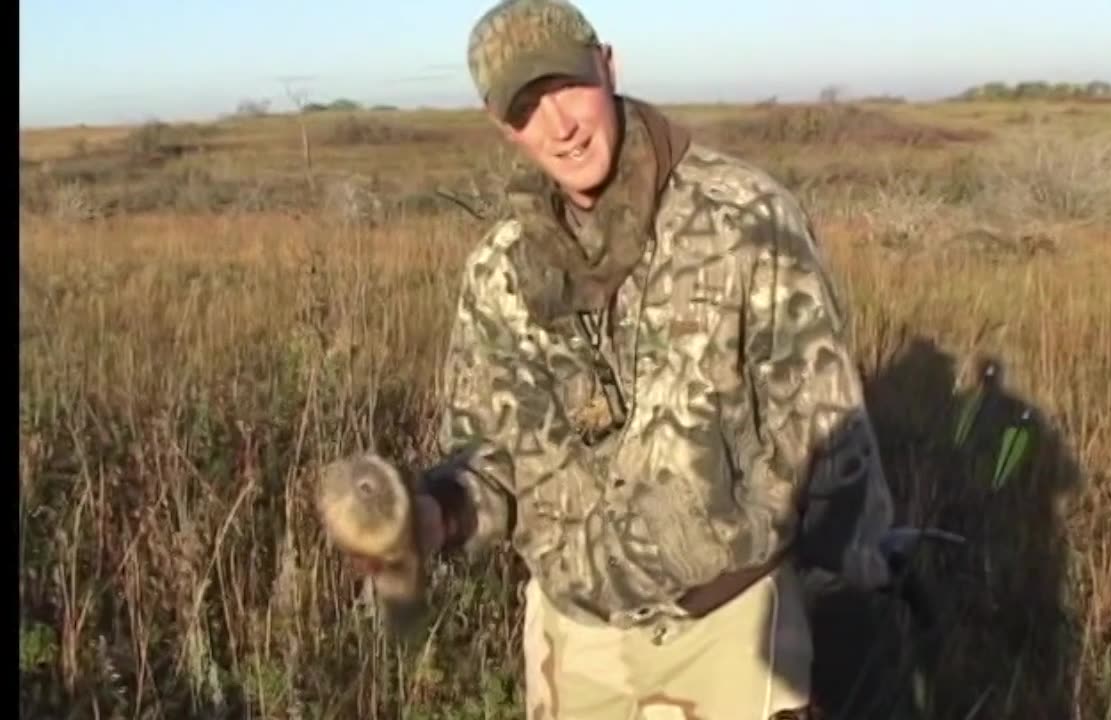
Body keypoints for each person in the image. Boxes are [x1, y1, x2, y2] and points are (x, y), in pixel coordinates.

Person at [332, 1, 935, 717]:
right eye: (527, 108)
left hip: (731, 639)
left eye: (567, 87)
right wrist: (434, 516)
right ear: (501, 126)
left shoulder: (744, 219)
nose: (560, 125)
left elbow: (827, 430)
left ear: (608, 67)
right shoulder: (499, 269)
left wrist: (846, 610)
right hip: (573, 645)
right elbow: (494, 456)